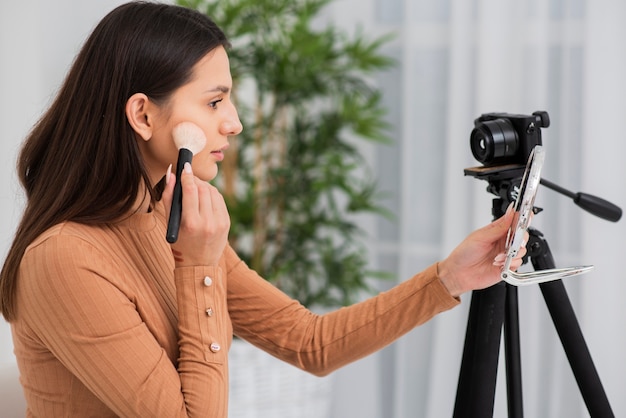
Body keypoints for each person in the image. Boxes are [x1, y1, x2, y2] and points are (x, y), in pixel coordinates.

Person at [0, 2, 526, 417]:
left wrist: (449, 278)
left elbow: (310, 342)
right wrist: (201, 265)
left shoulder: (166, 216)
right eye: (213, 102)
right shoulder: (65, 259)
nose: (234, 122)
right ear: (142, 115)